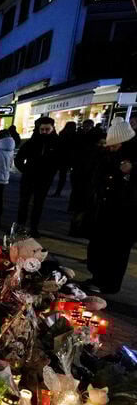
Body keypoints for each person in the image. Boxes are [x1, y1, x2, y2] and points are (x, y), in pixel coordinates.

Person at [81, 118, 136, 295]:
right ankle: (97, 278)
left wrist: (131, 172)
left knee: (116, 251)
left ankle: (109, 284)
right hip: (106, 209)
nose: (111, 148)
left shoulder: (131, 159)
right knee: (100, 246)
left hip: (126, 213)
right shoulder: (109, 155)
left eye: (114, 145)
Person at [14, 116, 60, 237]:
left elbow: (60, 161)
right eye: (42, 129)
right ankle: (20, 226)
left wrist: (51, 172)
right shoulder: (32, 142)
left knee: (38, 204)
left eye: (47, 129)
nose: (44, 132)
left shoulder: (57, 143)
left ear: (52, 128)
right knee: (24, 202)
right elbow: (19, 158)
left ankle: (34, 228)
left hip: (44, 179)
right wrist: (25, 170)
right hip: (28, 177)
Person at [68, 122, 104, 236]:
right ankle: (76, 228)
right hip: (86, 181)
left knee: (81, 206)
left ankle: (76, 228)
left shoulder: (86, 147)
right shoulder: (93, 152)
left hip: (83, 180)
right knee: (83, 206)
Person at [51, 121, 76, 198]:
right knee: (62, 176)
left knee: (55, 173)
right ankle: (58, 191)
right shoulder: (74, 135)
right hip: (66, 158)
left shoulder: (63, 133)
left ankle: (56, 191)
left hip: (60, 156)